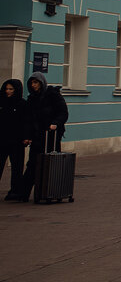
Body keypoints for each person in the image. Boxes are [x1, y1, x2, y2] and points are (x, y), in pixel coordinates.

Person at [20, 72, 68, 201]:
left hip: (51, 136)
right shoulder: (32, 99)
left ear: (41, 83)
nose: (33, 85)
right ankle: (23, 193)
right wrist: (27, 136)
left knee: (50, 164)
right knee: (33, 163)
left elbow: (63, 112)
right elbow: (29, 120)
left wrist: (55, 124)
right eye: (32, 83)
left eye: (36, 83)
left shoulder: (53, 95)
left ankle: (50, 192)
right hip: (37, 135)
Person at [1, 79, 31, 200]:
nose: (8, 91)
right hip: (2, 140)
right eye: (6, 89)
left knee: (17, 167)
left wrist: (26, 137)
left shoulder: (22, 104)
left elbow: (26, 122)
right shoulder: (1, 102)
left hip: (16, 141)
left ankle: (15, 190)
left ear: (16, 90)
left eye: (11, 89)